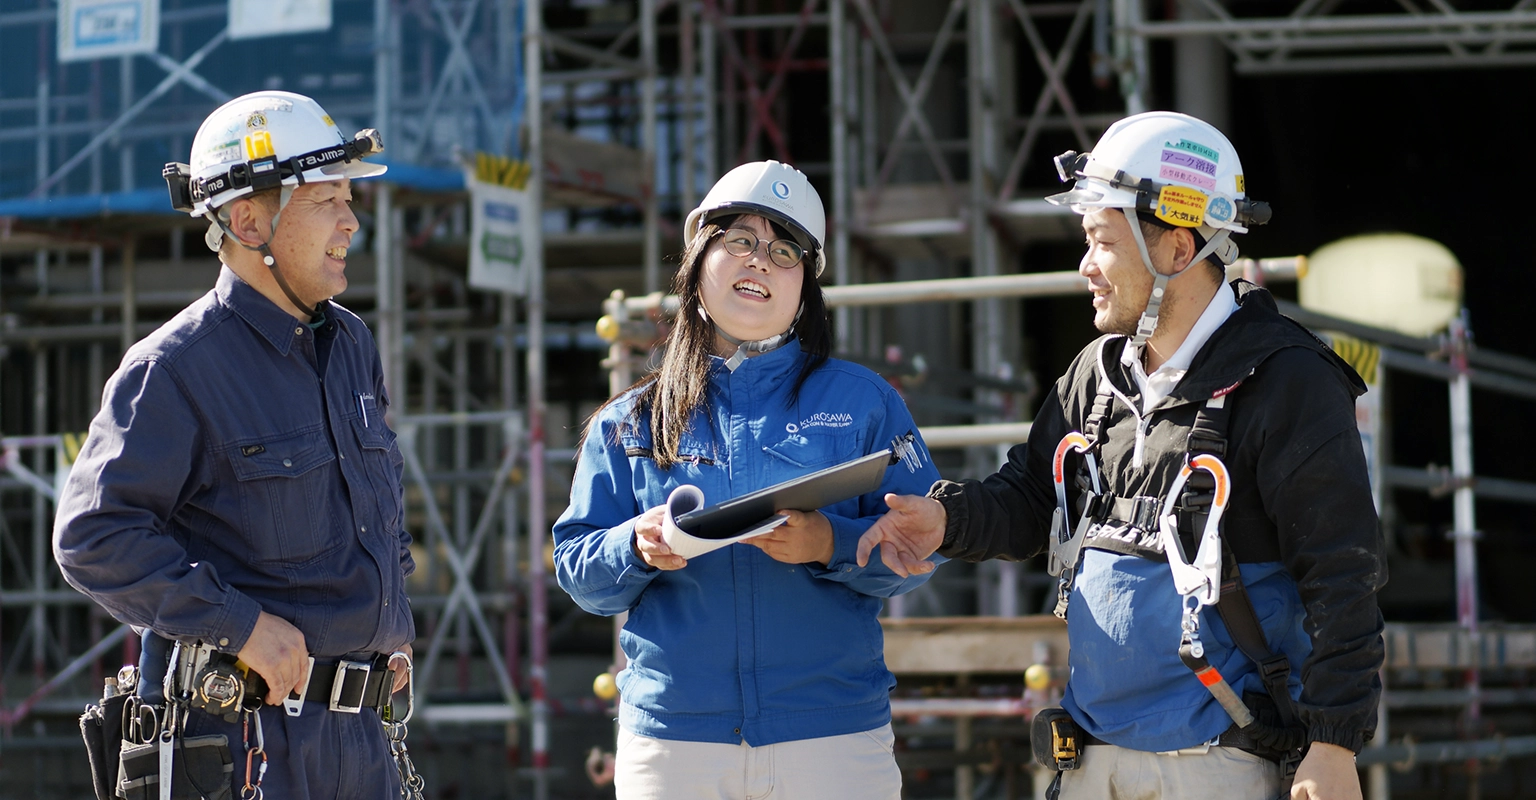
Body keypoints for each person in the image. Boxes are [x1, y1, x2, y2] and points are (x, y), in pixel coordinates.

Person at [856, 112, 1386, 800]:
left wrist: (1333, 744)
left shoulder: (1287, 381)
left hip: (1227, 766)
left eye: (1101, 242)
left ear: (1174, 247)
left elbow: (1343, 575)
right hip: (1095, 764)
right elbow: (1025, 501)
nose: (1085, 268)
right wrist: (944, 520)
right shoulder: (1095, 376)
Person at [54, 91, 414, 799]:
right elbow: (94, 538)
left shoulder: (351, 345)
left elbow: (379, 504)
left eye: (349, 198)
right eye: (324, 200)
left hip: (361, 740)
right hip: (240, 744)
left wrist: (390, 622)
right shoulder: (175, 369)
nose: (350, 221)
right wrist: (240, 626)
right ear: (248, 221)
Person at [554, 160, 941, 800]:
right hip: (674, 742)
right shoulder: (630, 421)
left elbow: (921, 549)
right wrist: (636, 545)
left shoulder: (867, 402)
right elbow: (578, 570)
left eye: (784, 250)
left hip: (832, 736)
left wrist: (829, 544)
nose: (759, 260)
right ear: (698, 260)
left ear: (805, 286)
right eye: (739, 240)